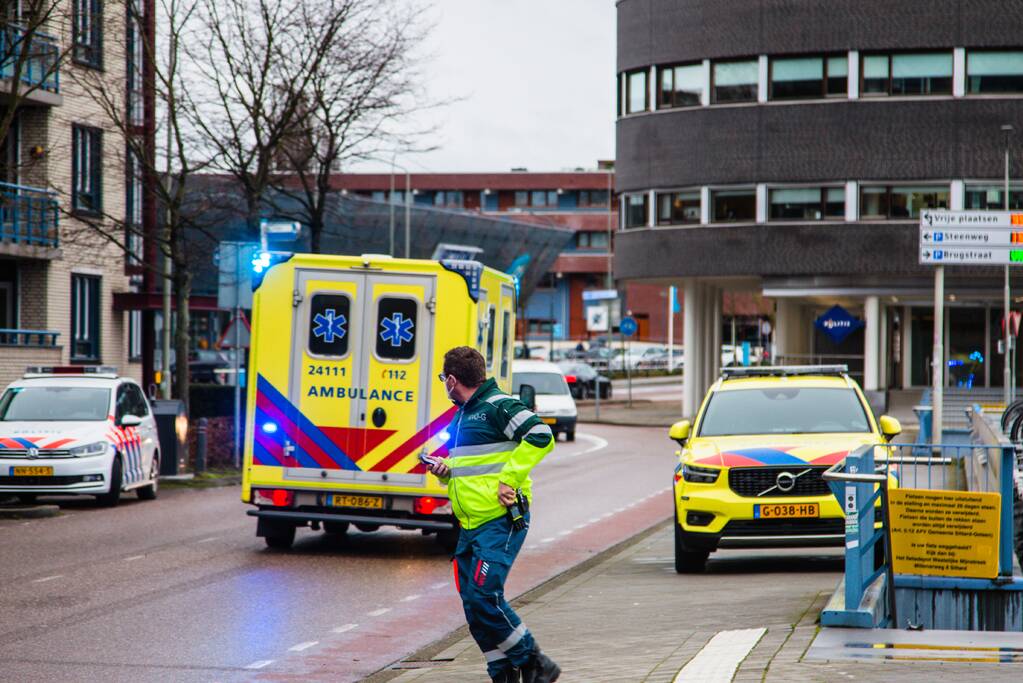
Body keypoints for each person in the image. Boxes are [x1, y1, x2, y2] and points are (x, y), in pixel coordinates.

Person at [428, 346, 561, 683]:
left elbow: (541, 435)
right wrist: (447, 470)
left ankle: (534, 662)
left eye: (444, 379)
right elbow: (476, 467)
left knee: (485, 597)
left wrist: (510, 480)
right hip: (471, 525)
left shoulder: (498, 406)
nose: (445, 384)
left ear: (453, 380)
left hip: (499, 521)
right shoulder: (462, 416)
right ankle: (502, 673)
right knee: (474, 605)